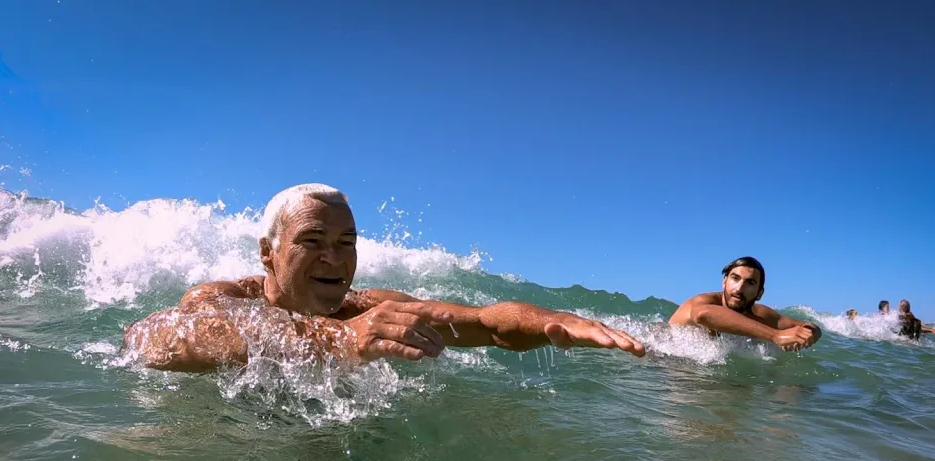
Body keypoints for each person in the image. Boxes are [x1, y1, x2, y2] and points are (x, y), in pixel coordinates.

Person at [121, 183, 646, 372]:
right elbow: (153, 338)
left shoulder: (364, 306)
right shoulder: (225, 295)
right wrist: (337, 340)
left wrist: (549, 320)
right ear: (268, 252)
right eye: (312, 242)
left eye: (346, 244)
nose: (334, 259)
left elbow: (485, 323)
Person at [668, 256, 822, 352]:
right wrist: (776, 335)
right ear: (724, 282)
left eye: (750, 283)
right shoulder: (704, 301)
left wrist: (808, 335)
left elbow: (809, 326)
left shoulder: (759, 313)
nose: (739, 288)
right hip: (664, 360)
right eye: (735, 278)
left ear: (759, 293)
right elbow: (703, 315)